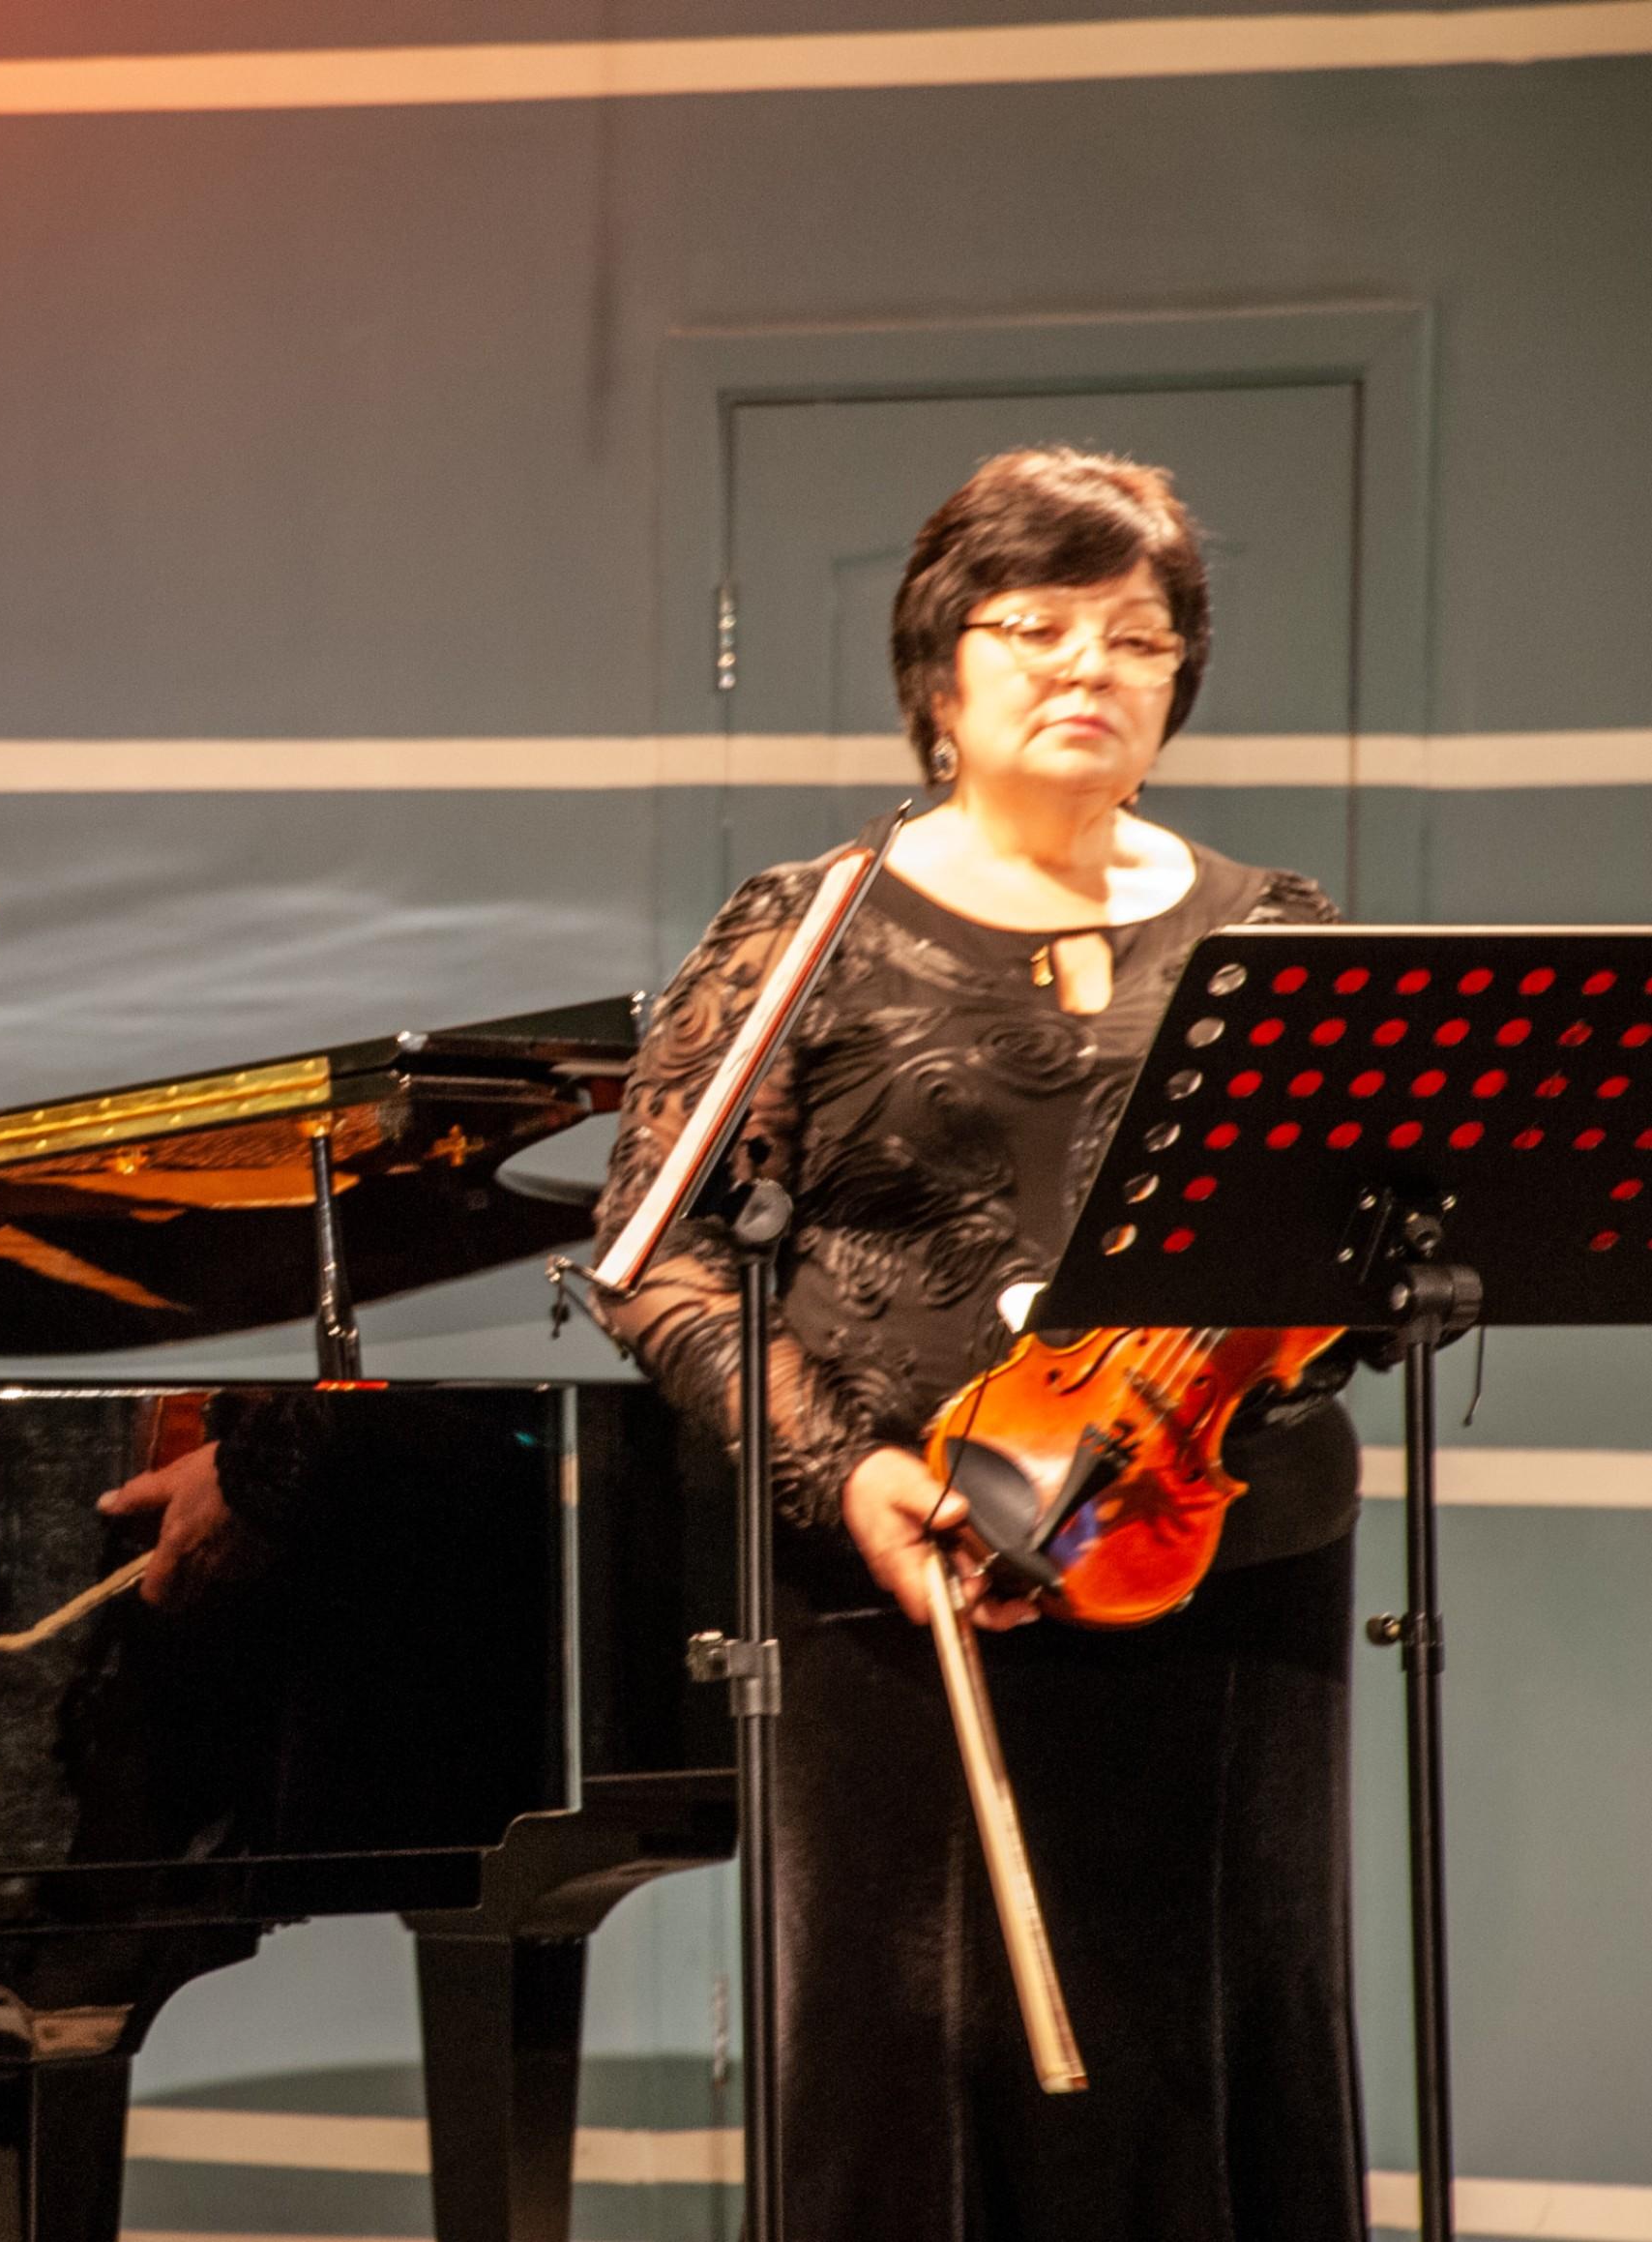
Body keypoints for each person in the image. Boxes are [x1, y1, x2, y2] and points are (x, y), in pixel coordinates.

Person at [589, 448, 1364, 2238]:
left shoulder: (1272, 932)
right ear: (938, 671)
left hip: (1222, 1565)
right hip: (906, 1569)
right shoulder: (807, 928)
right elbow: (656, 1259)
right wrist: (841, 1471)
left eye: (1137, 638)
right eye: (1035, 627)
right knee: (913, 2061)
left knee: (1213, 2036)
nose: (1089, 667)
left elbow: (1343, 1261)